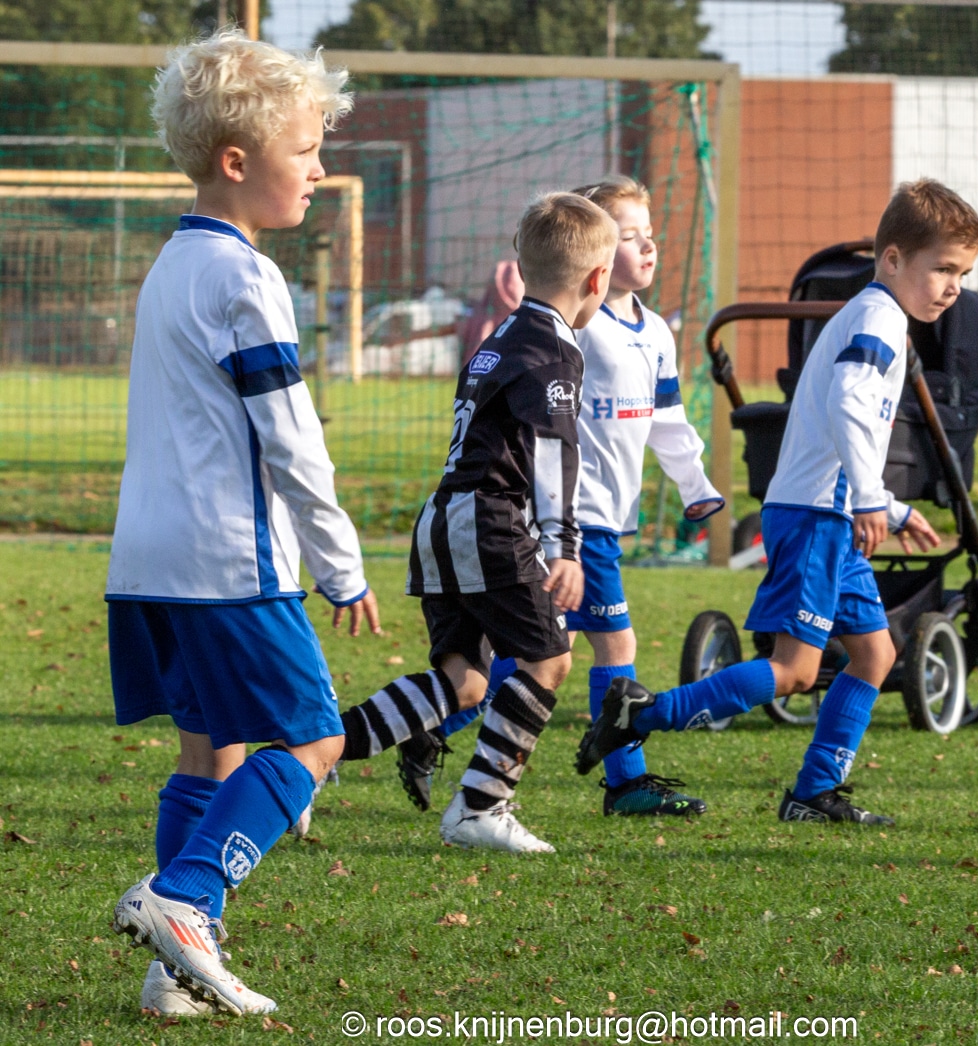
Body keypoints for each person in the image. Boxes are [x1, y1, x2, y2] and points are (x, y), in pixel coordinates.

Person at [108, 30, 380, 1017]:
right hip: (230, 560)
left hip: (147, 560)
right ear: (236, 161)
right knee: (314, 741)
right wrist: (341, 563)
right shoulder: (246, 278)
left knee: (209, 748)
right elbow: (292, 438)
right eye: (304, 149)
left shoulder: (170, 266)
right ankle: (186, 895)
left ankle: (172, 968)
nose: (319, 169)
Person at [576, 179, 978, 826]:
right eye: (942, 269)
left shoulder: (881, 316)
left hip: (831, 513)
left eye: (961, 274)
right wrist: (872, 499)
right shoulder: (879, 316)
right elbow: (850, 401)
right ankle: (641, 714)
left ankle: (812, 793)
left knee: (876, 655)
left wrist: (891, 509)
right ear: (892, 259)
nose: (953, 287)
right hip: (817, 516)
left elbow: (845, 424)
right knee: (794, 670)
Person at [418, 176, 723, 817]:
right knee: (612, 646)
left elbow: (668, 419)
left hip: (602, 519)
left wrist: (695, 485)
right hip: (572, 521)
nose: (646, 247)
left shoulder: (656, 332)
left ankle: (431, 724)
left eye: (648, 235)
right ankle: (625, 783)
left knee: (530, 654)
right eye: (627, 237)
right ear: (594, 260)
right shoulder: (574, 329)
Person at [329, 191, 617, 852]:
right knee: (550, 660)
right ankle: (480, 808)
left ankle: (310, 757)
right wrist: (563, 546)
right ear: (598, 278)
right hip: (489, 521)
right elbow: (555, 448)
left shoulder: (502, 337)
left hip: (444, 518)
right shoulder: (555, 348)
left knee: (465, 683)